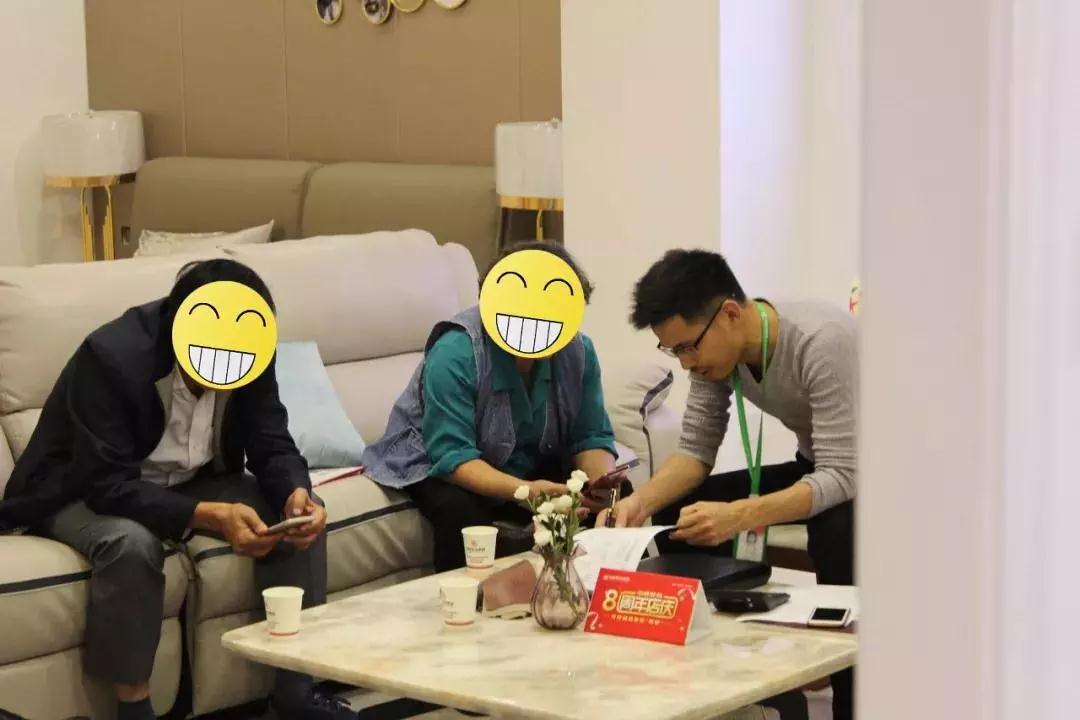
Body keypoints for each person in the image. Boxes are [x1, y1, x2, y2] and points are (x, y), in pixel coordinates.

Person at [0, 260, 354, 720]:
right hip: (80, 488)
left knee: (300, 516)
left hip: (192, 477)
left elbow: (271, 440)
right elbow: (106, 483)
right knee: (130, 545)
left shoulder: (249, 346)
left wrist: (295, 491)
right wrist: (209, 515)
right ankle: (134, 709)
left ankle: (295, 693)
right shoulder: (112, 357)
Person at [598, 249, 857, 720]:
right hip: (820, 465)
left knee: (835, 528)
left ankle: (851, 699)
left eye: (688, 347)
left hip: (884, 479)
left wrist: (740, 515)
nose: (685, 364)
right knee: (683, 512)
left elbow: (843, 475)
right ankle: (721, 683)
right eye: (674, 351)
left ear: (731, 314)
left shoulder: (821, 341)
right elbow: (695, 452)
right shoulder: (717, 357)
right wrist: (639, 503)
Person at [362, 242, 623, 572]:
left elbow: (590, 436)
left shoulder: (578, 351)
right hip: (439, 462)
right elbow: (452, 455)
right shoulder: (456, 351)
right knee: (460, 512)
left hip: (524, 460)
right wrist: (525, 491)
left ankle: (597, 590)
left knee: (619, 498)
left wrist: (598, 485)